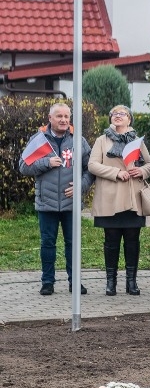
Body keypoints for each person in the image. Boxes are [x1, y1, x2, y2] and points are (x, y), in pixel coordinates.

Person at [19, 102, 93, 295]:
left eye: (66, 116)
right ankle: (47, 282)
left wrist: (80, 186)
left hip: (71, 203)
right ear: (50, 118)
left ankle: (74, 282)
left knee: (72, 243)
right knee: (48, 244)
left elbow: (90, 169)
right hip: (47, 203)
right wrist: (46, 162)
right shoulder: (39, 140)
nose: (63, 120)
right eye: (59, 116)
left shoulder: (79, 140)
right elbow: (23, 166)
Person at [88, 105, 150, 296]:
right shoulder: (102, 140)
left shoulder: (137, 141)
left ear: (129, 119)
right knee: (111, 239)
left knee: (133, 239)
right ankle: (111, 283)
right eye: (114, 114)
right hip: (110, 197)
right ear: (110, 118)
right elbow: (92, 165)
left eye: (122, 114)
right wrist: (116, 172)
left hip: (134, 197)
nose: (118, 116)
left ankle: (131, 282)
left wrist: (141, 170)